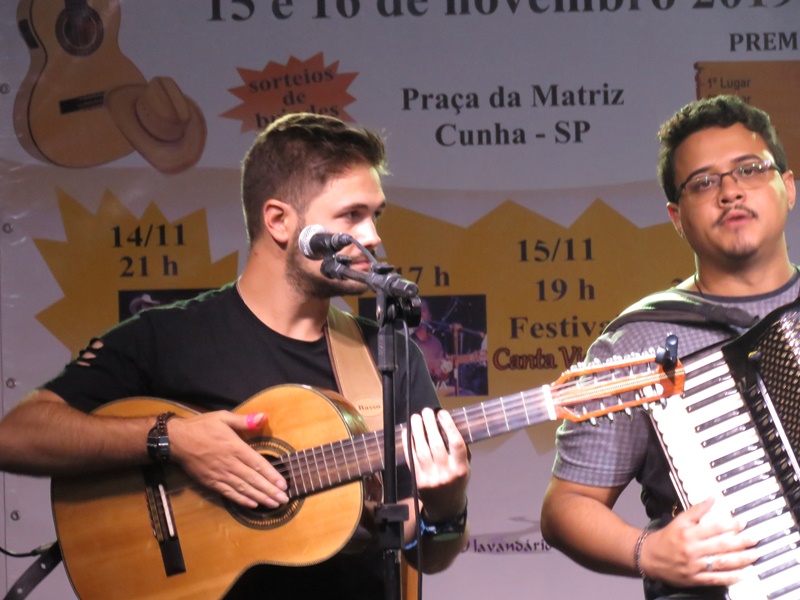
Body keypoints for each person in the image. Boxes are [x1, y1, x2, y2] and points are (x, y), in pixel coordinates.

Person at [0, 113, 470, 599]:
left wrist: (447, 506)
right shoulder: (168, 337)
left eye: (376, 215)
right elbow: (16, 436)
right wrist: (171, 439)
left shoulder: (386, 354)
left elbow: (430, 557)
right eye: (352, 216)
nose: (372, 237)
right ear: (279, 222)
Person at [540, 94, 797, 600]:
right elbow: (565, 506)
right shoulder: (637, 341)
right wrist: (648, 551)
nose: (730, 192)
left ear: (787, 188)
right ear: (676, 217)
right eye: (703, 182)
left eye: (749, 169)